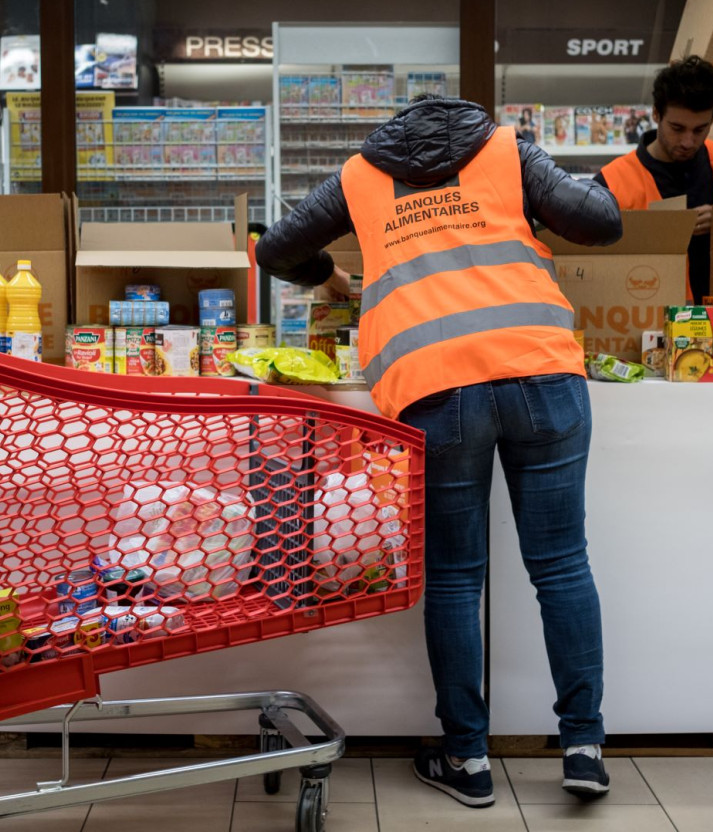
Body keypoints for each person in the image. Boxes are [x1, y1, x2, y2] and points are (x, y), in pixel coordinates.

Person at [255, 95, 621, 807]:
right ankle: (584, 748)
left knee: (456, 578)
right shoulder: (507, 151)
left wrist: (327, 275)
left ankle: (468, 760)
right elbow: (601, 221)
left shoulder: (359, 174)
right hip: (540, 370)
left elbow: (275, 249)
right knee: (562, 564)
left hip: (435, 385)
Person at [594, 56, 713, 303]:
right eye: (677, 128)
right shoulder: (610, 182)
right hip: (647, 327)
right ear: (655, 113)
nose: (687, 142)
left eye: (700, 130)